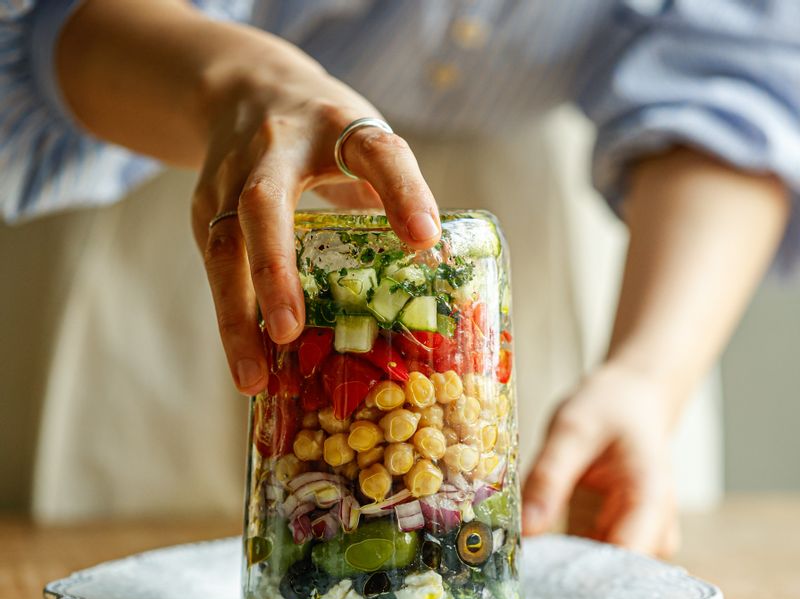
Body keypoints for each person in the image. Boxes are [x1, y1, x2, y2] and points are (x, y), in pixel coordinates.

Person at [1, 1, 797, 556]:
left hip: (559, 252)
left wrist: (649, 375)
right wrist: (240, 86)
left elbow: (736, 73)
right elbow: (48, 20)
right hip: (202, 169)